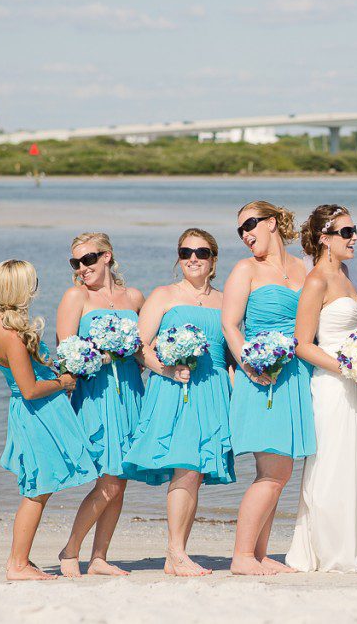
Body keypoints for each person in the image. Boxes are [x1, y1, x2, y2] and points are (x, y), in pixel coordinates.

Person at [123, 228, 236, 576]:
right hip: (175, 389)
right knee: (185, 466)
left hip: (214, 389)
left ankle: (178, 553)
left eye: (201, 252)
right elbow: (138, 346)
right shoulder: (164, 295)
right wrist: (166, 369)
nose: (193, 258)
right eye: (186, 252)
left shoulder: (225, 299)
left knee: (196, 471)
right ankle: (176, 552)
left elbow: (231, 354)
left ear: (213, 260)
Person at [285, 204, 357, 573]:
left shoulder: (349, 273)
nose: (354, 237)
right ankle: (334, 552)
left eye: (354, 229)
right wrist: (349, 367)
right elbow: (302, 344)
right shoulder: (317, 280)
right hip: (331, 386)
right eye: (346, 232)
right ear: (325, 239)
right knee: (333, 467)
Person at [0, 259, 97, 580]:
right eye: (32, 282)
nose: (36, 288)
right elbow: (29, 389)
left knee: (37, 488)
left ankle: (20, 560)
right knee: (37, 490)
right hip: (36, 414)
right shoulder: (12, 334)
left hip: (30, 412)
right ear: (21, 288)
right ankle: (17, 564)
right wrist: (64, 382)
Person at [222, 201, 315, 575]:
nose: (246, 234)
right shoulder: (245, 269)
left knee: (281, 471)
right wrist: (251, 365)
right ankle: (242, 556)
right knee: (272, 470)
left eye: (250, 224)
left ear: (272, 223)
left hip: (295, 375)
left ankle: (259, 554)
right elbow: (231, 325)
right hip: (262, 377)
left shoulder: (303, 267)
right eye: (240, 230)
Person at [56, 232, 144, 577]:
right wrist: (104, 353)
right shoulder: (75, 296)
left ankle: (99, 558)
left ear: (107, 256)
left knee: (120, 478)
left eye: (88, 260)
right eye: (75, 263)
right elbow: (67, 351)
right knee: (109, 480)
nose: (82, 268)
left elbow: (143, 347)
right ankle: (70, 550)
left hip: (131, 393)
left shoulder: (134, 296)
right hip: (96, 394)